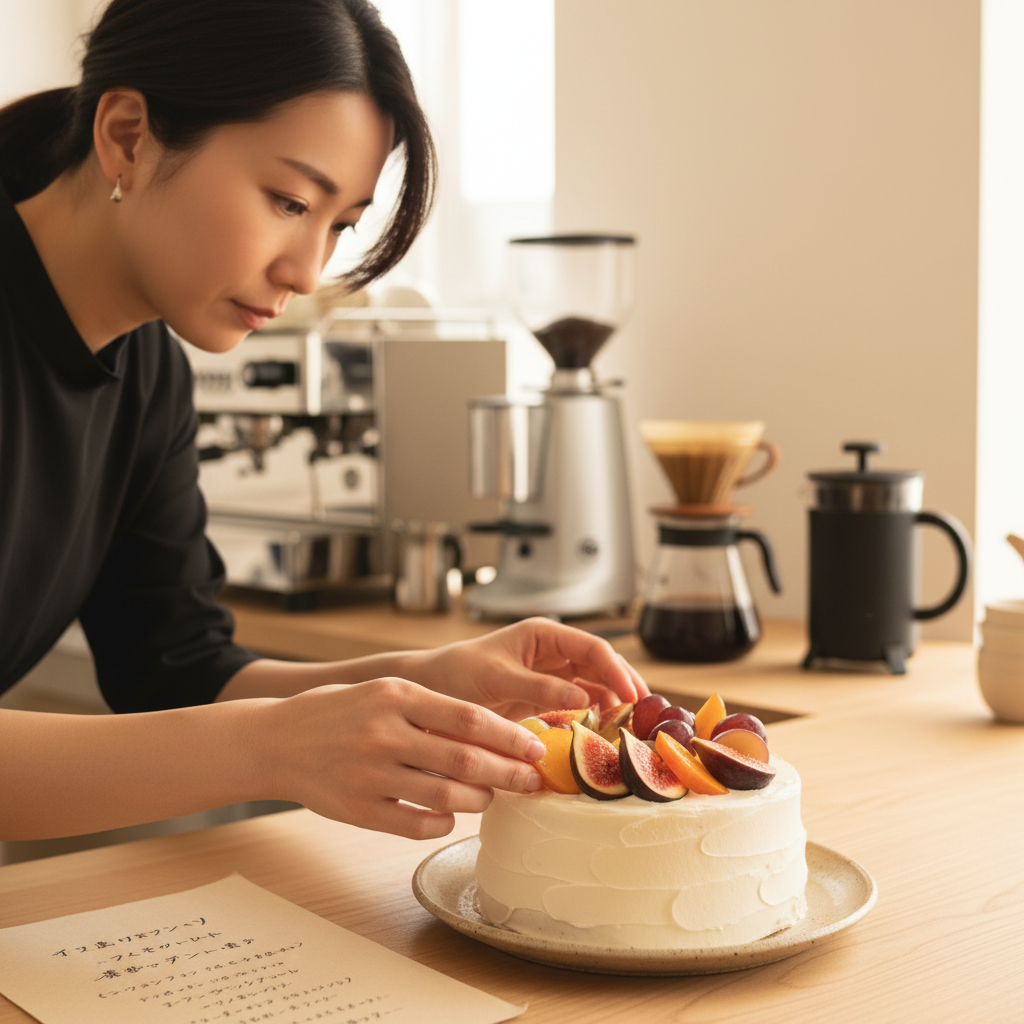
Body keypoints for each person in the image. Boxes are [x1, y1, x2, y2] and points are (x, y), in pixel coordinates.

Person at [0, 0, 648, 844]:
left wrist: (424, 679)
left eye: (340, 224)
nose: (308, 272)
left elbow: (176, 669)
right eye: (288, 201)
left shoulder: (149, 367)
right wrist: (268, 749)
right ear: (127, 135)